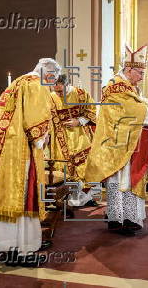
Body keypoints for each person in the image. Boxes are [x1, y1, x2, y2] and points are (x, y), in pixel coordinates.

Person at [0, 58, 61, 265]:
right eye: (54, 81)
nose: (54, 86)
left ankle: (3, 246)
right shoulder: (37, 85)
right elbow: (36, 123)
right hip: (14, 148)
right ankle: (18, 250)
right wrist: (42, 139)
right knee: (19, 195)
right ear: (49, 75)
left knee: (0, 195)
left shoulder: (18, 82)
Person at [85, 45, 148, 235]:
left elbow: (138, 108)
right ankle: (119, 219)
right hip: (119, 144)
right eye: (140, 72)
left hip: (130, 143)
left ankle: (125, 217)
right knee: (121, 180)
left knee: (129, 180)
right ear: (128, 70)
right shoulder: (116, 87)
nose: (142, 76)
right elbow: (131, 111)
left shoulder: (130, 88)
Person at [48, 74, 97, 206]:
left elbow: (92, 111)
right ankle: (69, 198)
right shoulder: (51, 98)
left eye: (61, 91)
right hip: (60, 140)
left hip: (81, 136)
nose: (59, 94)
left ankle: (87, 198)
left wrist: (79, 121)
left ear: (67, 85)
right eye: (56, 90)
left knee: (85, 168)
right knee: (65, 169)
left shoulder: (81, 94)